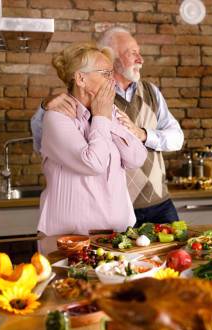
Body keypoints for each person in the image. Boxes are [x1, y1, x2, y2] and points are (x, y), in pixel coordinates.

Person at [31, 27, 184, 226]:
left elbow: (142, 154)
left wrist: (143, 134)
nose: (140, 59)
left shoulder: (147, 93)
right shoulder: (65, 110)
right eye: (132, 53)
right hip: (105, 217)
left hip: (157, 202)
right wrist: (45, 107)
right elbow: (43, 139)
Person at [38, 43, 147, 236]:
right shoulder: (57, 117)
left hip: (118, 235)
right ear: (81, 78)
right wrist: (101, 118)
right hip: (71, 239)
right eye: (106, 73)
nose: (112, 79)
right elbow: (94, 163)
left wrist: (105, 118)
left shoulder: (109, 112)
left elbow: (137, 158)